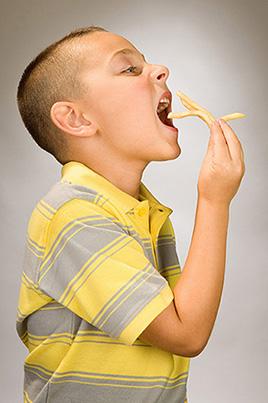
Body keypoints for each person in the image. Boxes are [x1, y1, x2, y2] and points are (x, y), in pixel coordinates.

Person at [15, 26, 245, 403]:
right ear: (76, 119)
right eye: (128, 69)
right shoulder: (73, 215)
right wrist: (215, 200)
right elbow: (186, 334)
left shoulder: (143, 211)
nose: (161, 70)